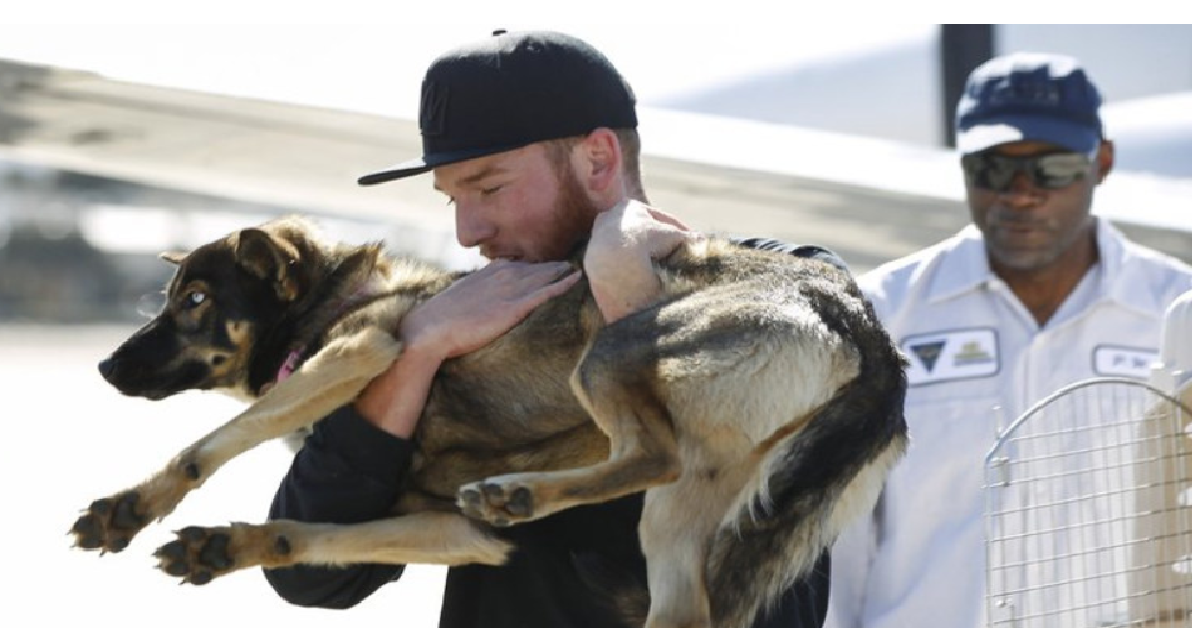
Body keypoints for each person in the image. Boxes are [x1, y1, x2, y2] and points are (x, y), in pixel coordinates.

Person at [264, 29, 842, 628]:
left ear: (598, 160)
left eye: (489, 187)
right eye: (451, 199)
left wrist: (628, 286)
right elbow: (307, 575)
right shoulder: (463, 326)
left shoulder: (790, 287)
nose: (466, 231)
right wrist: (416, 351)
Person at [825, 53, 1192, 628]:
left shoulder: (1181, 315)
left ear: (1103, 162)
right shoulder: (881, 313)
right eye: (992, 169)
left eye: (1051, 169)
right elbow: (835, 538)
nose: (1020, 194)